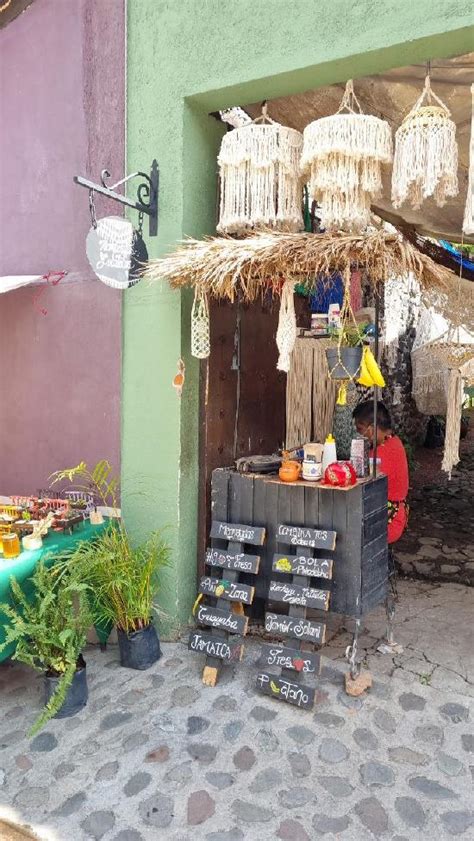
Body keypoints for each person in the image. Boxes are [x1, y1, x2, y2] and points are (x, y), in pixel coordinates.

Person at [352, 400, 409, 544]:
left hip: (389, 522)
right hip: (395, 514)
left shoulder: (382, 454)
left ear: (371, 429)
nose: (359, 434)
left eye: (360, 429)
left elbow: (359, 482)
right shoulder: (393, 441)